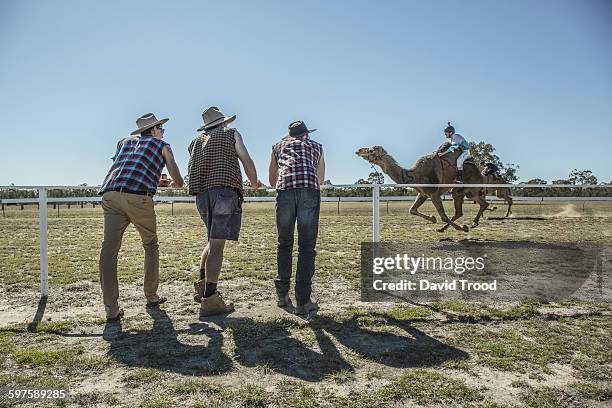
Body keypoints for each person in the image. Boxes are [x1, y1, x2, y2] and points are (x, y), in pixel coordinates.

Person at [98, 113, 184, 322]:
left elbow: (129, 166)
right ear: (154, 130)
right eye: (162, 129)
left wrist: (154, 179)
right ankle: (151, 295)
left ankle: (111, 308)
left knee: (109, 250)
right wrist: (172, 183)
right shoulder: (162, 145)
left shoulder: (123, 142)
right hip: (138, 198)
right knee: (150, 245)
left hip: (110, 194)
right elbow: (179, 180)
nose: (163, 133)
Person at [188, 106, 262, 317]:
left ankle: (202, 284)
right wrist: (255, 181)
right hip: (224, 192)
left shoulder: (195, 142)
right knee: (217, 245)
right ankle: (210, 300)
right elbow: (246, 159)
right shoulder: (231, 133)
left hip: (201, 195)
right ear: (224, 123)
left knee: (212, 240)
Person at [269, 120, 325, 315]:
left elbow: (271, 179)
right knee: (307, 247)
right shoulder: (316, 146)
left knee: (284, 243)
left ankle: (282, 295)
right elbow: (320, 178)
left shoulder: (278, 146)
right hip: (309, 191)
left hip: (285, 191)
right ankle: (303, 300)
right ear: (306, 134)